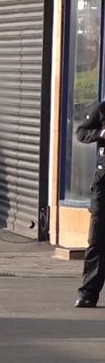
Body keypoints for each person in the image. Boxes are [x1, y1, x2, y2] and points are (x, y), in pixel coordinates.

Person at [74, 99, 105, 308]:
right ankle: (88, 293)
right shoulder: (102, 108)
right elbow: (81, 132)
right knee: (97, 239)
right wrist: (100, 135)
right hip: (103, 183)